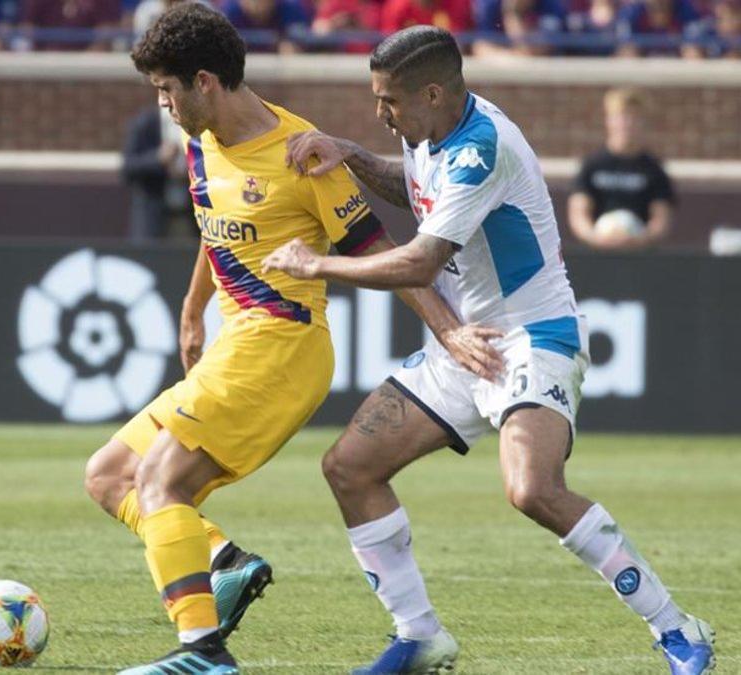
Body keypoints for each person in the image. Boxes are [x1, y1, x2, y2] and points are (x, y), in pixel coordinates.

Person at [264, 26, 715, 675]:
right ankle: (418, 635)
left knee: (532, 488)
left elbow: (421, 259)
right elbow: (418, 188)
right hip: (467, 343)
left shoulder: (483, 148)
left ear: (434, 92)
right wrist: (353, 154)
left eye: (387, 100)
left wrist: (314, 265)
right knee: (350, 466)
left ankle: (678, 628)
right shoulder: (425, 128)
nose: (379, 111)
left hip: (534, 335)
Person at [84, 6, 487, 674]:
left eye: (166, 90)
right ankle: (224, 564)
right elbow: (217, 231)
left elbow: (382, 249)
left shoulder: (301, 153)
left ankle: (202, 652)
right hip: (235, 343)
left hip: (284, 347)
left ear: (205, 81)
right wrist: (192, 312)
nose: (162, 104)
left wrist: (449, 329)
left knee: (159, 479)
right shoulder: (200, 138)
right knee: (107, 475)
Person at [567, 87, 675, 250]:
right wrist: (597, 238)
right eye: (621, 117)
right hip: (597, 254)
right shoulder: (592, 165)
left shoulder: (653, 169)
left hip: (639, 257)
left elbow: (660, 219)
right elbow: (578, 213)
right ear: (609, 120)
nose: (627, 124)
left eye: (634, 118)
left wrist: (638, 240)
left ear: (643, 123)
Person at [121, 104, 191, 240]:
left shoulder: (199, 122)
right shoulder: (146, 123)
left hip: (189, 216)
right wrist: (158, 158)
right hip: (153, 216)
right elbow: (128, 168)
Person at [473, 0, 569, 57]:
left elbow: (537, 50)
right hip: (505, 75)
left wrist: (513, 13)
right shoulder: (491, 4)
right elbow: (480, 47)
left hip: (545, 79)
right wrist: (513, 58)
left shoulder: (551, 5)